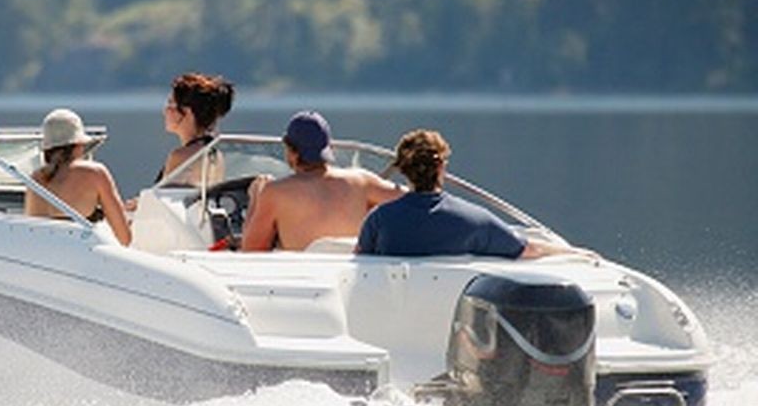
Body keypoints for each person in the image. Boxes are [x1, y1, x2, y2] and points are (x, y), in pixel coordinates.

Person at [357, 129, 592, 259]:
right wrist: (576, 252)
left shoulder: (379, 220)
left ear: (404, 171)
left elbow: (360, 262)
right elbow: (528, 249)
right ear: (441, 168)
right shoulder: (474, 221)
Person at [241, 111, 402, 252]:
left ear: (291, 151)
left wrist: (256, 198)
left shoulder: (273, 192)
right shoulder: (361, 182)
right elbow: (414, 199)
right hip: (353, 278)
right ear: (328, 148)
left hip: (304, 281)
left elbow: (251, 252)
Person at [25, 108, 132, 246]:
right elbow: (124, 238)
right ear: (78, 146)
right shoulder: (95, 173)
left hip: (41, 260)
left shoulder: (35, 179)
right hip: (79, 262)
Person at [158, 72, 235, 181]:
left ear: (187, 112)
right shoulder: (215, 155)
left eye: (171, 104)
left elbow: (161, 197)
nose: (165, 111)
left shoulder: (181, 157)